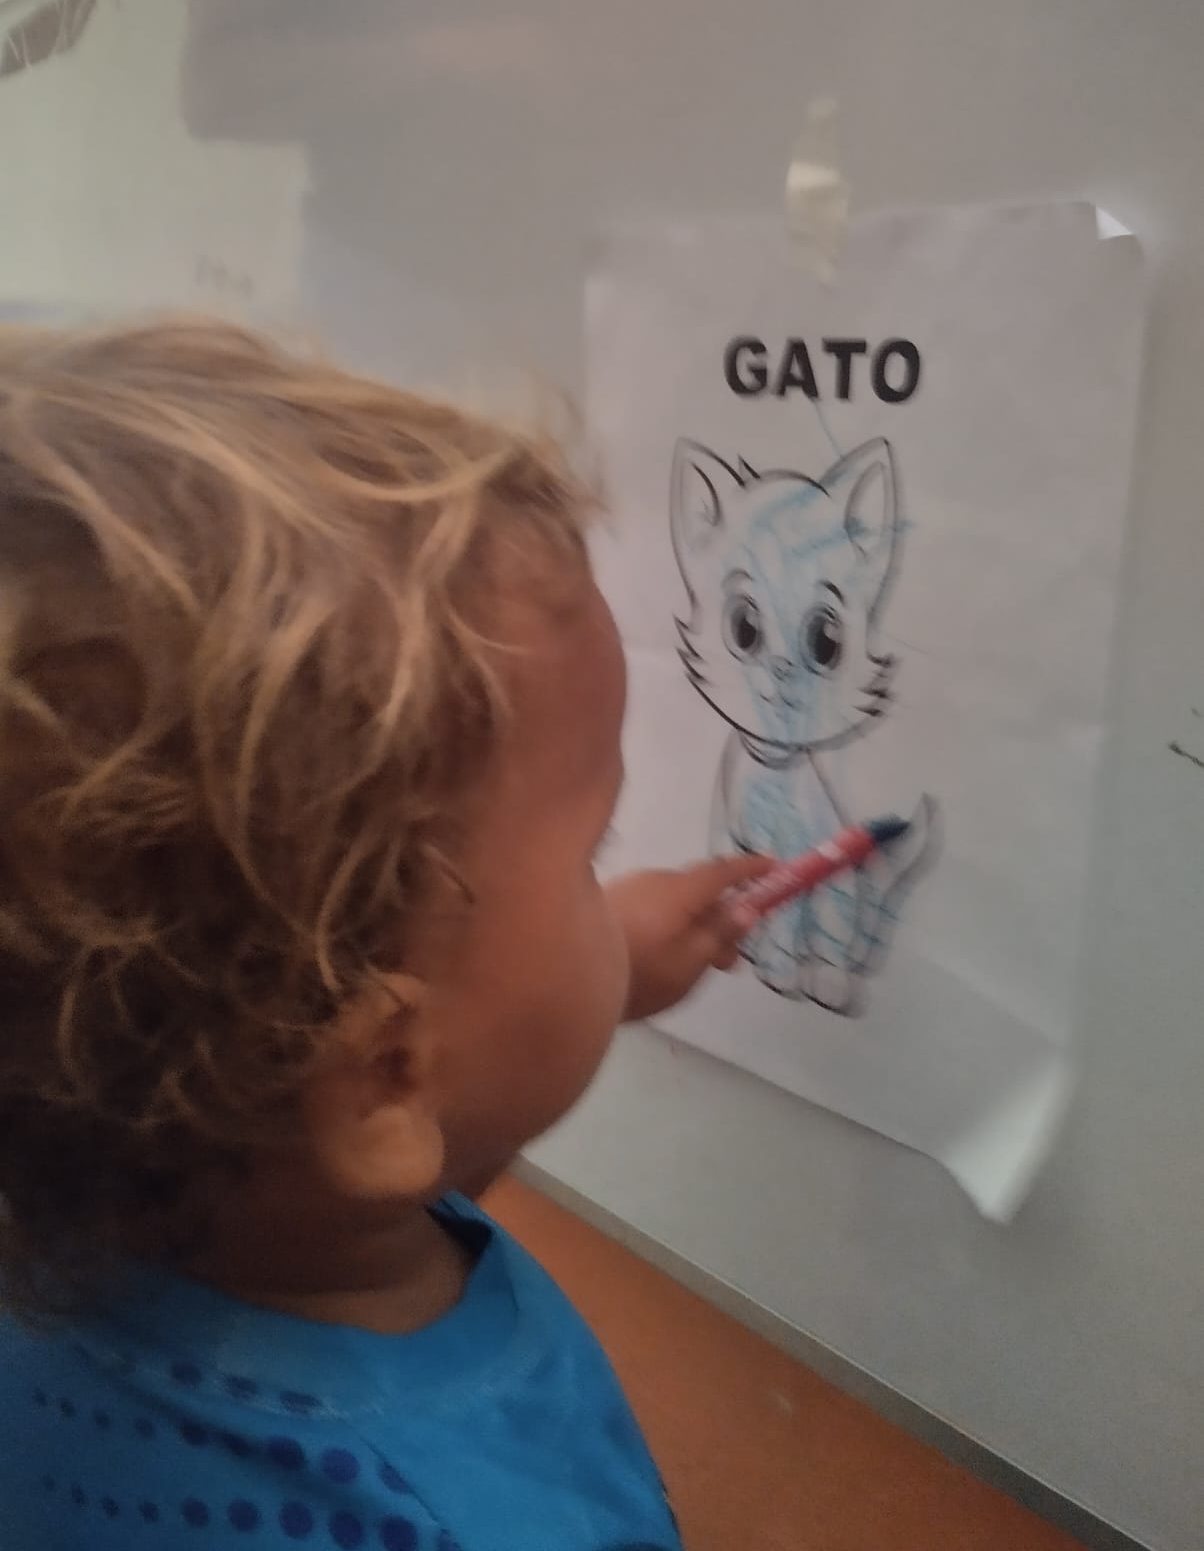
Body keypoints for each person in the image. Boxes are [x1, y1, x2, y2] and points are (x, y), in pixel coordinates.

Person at [0, 319, 768, 1549]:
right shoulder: (457, 1522)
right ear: (389, 1073)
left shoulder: (87, 1185)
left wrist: (607, 958)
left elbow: (448, 1035)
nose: (608, 886)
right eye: (590, 857)